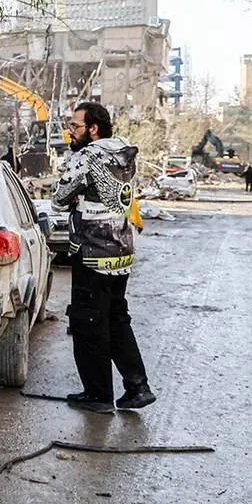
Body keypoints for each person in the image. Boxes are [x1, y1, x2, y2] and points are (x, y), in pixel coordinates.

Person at [53, 102, 155, 414]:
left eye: (75, 126)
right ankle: (138, 387)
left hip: (92, 252)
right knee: (116, 318)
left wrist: (75, 193)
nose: (70, 132)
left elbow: (58, 198)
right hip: (121, 250)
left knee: (88, 323)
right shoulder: (124, 151)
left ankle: (97, 395)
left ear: (93, 128)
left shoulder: (87, 156)